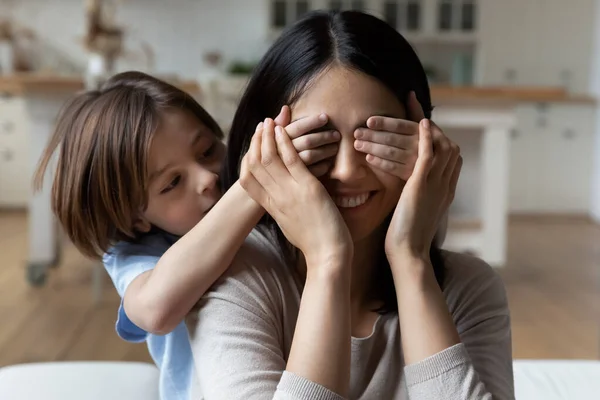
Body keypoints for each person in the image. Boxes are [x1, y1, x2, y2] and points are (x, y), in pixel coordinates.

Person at [33, 71, 425, 400]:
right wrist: (253, 185)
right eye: (172, 183)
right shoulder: (138, 252)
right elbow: (155, 310)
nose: (206, 179)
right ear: (136, 219)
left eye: (206, 151)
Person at [188, 10, 514, 400]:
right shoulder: (238, 278)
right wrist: (328, 261)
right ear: (266, 151)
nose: (346, 171)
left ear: (424, 144)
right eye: (319, 141)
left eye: (375, 139)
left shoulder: (468, 287)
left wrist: (411, 260)